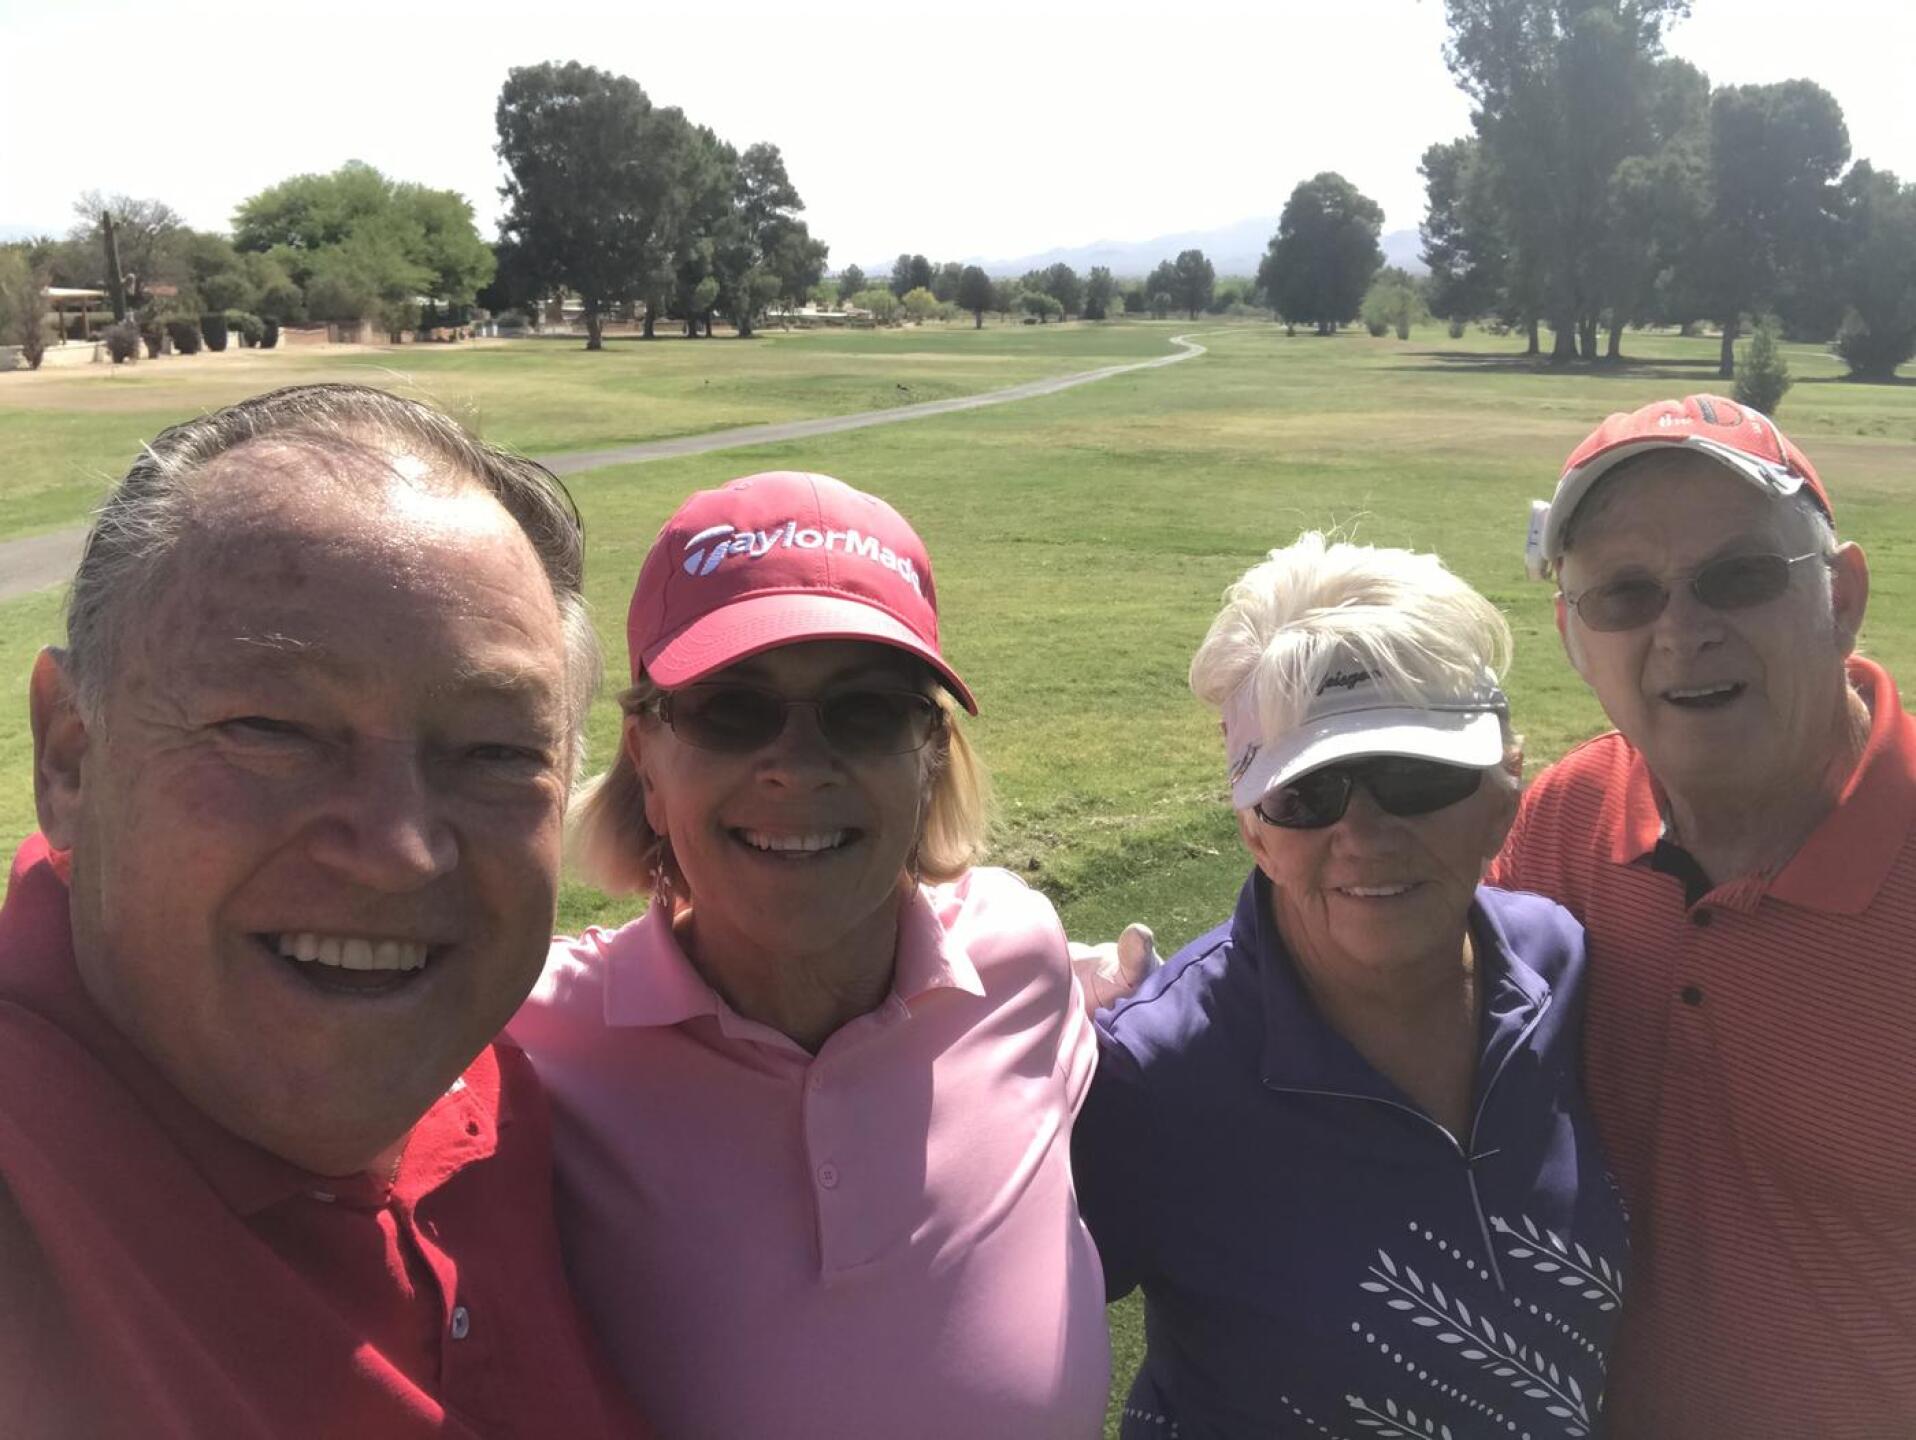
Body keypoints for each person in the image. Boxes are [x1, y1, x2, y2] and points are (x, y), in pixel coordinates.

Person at [1, 385, 644, 1438]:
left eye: (495, 753)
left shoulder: (489, 1087)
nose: (398, 852)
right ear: (72, 756)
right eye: (271, 728)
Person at [510, 470, 1112, 1439]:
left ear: (929, 754)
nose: (795, 762)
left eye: (864, 710)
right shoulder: (528, 1041)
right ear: (645, 760)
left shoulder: (1018, 961)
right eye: (730, 710)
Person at [1072, 533, 1628, 1440]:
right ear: (1254, 828)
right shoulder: (1152, 1072)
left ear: (1505, 786)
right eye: (1306, 793)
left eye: (1415, 776)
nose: (1364, 834)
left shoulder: (1559, 965)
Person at [1491, 394, 1916, 1437]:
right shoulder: (1563, 818)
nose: (1681, 630)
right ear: (1573, 637)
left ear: (1842, 595)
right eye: (1624, 595)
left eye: (1738, 577)